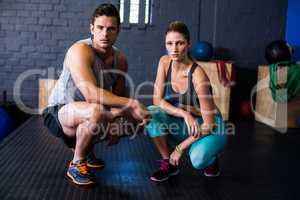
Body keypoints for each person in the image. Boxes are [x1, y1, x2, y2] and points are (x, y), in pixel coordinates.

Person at [42, 3, 150, 186]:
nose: (105, 34)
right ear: (92, 28)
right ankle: (77, 163)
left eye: (110, 29)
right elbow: (92, 94)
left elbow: (118, 97)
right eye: (100, 28)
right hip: (59, 113)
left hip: (91, 113)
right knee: (97, 111)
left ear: (118, 31)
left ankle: (86, 148)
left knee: (139, 119)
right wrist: (132, 104)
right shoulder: (80, 50)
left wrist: (119, 122)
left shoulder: (120, 59)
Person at [146, 21, 228, 182]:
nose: (174, 49)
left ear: (188, 44)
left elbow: (209, 124)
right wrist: (183, 113)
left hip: (211, 126)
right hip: (188, 122)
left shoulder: (198, 75)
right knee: (150, 112)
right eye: (169, 43)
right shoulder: (164, 62)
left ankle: (212, 160)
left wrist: (179, 149)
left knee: (197, 159)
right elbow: (157, 100)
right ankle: (168, 164)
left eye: (180, 43)